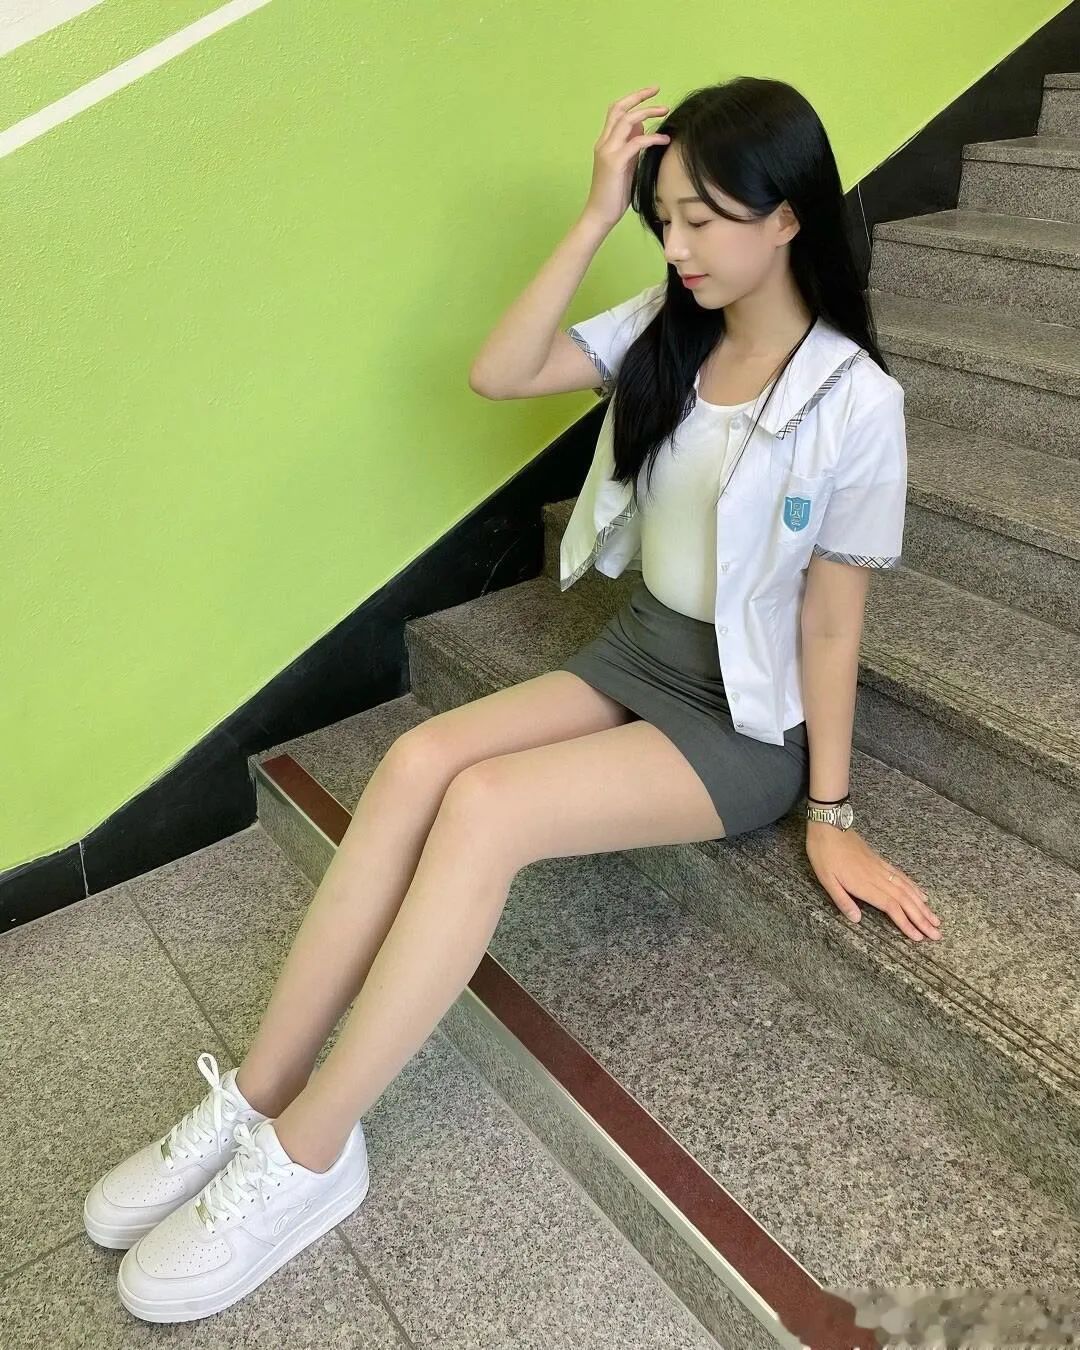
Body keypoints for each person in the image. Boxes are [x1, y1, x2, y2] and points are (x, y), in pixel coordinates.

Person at [85, 75, 943, 1324]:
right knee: (416, 763)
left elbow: (829, 621)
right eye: (665, 219)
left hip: (743, 716)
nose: (680, 246)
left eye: (704, 219)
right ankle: (260, 1095)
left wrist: (833, 810)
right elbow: (501, 372)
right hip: (640, 650)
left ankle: (314, 1152)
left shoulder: (857, 402)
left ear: (788, 216)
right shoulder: (669, 324)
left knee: (486, 809)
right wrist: (596, 215)